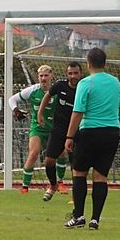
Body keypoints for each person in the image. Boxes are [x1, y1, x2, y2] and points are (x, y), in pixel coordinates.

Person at [63, 48, 120, 230]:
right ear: (104, 63)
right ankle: (95, 219)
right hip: (111, 133)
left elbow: (78, 112)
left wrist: (69, 136)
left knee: (79, 173)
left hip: (89, 132)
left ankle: (79, 216)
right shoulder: (116, 83)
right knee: (100, 177)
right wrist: (119, 129)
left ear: (88, 63)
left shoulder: (85, 83)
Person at [37, 61, 82, 201]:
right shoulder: (60, 86)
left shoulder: (84, 88)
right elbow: (47, 96)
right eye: (70, 73)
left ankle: (76, 195)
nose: (73, 76)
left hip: (76, 130)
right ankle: (53, 185)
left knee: (76, 166)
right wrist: (40, 113)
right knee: (49, 161)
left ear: (81, 74)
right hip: (58, 129)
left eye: (75, 73)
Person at [7, 65, 55, 194]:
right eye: (41, 76)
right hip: (37, 127)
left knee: (60, 154)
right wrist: (16, 110)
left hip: (54, 128)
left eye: (46, 75)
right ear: (38, 77)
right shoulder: (33, 90)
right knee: (34, 153)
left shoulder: (57, 90)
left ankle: (59, 183)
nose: (43, 78)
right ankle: (25, 187)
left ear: (51, 76)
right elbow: (12, 99)